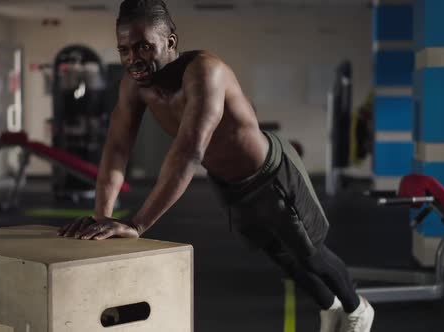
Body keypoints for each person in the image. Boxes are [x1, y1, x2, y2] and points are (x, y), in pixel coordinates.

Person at [57, 1, 374, 331]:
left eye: (143, 46)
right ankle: (331, 307)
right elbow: (118, 146)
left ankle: (356, 309)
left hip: (270, 174)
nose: (133, 59)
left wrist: (137, 224)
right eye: (124, 50)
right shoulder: (134, 86)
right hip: (228, 183)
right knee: (279, 255)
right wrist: (102, 217)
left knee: (308, 253)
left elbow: (190, 152)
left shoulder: (205, 72)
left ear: (170, 41)